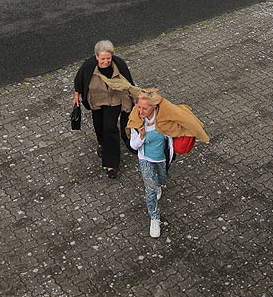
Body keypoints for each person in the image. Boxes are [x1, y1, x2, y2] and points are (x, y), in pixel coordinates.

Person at [126, 87, 209, 238]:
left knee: (162, 178)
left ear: (154, 107)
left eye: (145, 108)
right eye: (139, 107)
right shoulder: (136, 121)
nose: (141, 111)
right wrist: (141, 136)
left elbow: (182, 125)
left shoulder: (165, 119)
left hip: (162, 158)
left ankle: (158, 184)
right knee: (150, 190)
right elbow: (133, 145)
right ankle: (155, 218)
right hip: (145, 159)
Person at [73, 40, 137, 179]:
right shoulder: (89, 65)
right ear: (96, 57)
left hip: (114, 100)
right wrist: (76, 94)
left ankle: (111, 164)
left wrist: (134, 99)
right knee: (99, 126)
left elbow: (129, 82)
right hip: (96, 101)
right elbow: (79, 79)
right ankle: (103, 144)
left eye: (108, 58)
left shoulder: (119, 65)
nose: (106, 61)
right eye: (103, 59)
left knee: (109, 128)